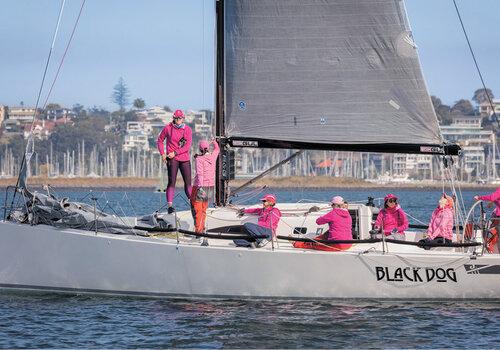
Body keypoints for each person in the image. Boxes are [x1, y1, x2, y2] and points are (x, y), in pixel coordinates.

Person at [156, 109, 193, 214]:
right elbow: (159, 140)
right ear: (173, 118)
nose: (178, 120)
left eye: (180, 118)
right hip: (172, 159)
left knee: (188, 183)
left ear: (183, 118)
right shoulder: (168, 128)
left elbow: (187, 146)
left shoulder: (188, 130)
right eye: (176, 118)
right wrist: (162, 153)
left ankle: (193, 204)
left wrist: (175, 152)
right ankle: (170, 206)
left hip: (184, 158)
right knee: (171, 183)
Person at [191, 138, 220, 245]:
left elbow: (200, 174)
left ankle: (198, 232)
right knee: (203, 210)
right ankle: (201, 228)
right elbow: (217, 150)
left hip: (202, 186)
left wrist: (200, 187)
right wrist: (214, 143)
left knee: (197, 210)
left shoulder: (199, 159)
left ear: (200, 148)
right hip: (210, 187)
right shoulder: (213, 156)